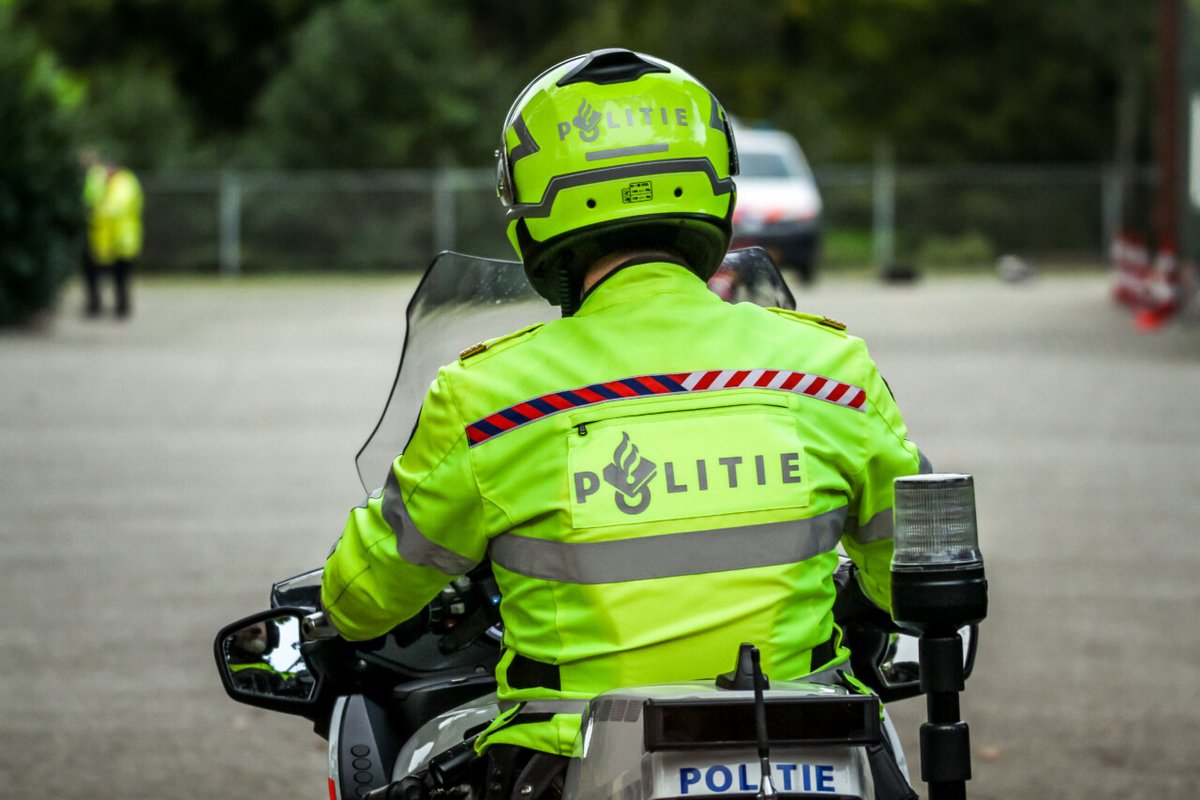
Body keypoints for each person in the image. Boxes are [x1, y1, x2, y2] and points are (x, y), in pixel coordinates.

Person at [321, 49, 927, 798]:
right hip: (810, 757)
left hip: (567, 764)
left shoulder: (489, 398)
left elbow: (362, 602)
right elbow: (912, 583)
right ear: (714, 185)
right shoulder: (827, 373)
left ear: (533, 212)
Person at [81, 150, 143, 318]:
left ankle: (121, 308)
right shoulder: (96, 180)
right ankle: (94, 306)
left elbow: (117, 206)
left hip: (122, 239)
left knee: (121, 277)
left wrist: (99, 207)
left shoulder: (126, 181)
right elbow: (88, 199)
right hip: (100, 239)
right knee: (92, 275)